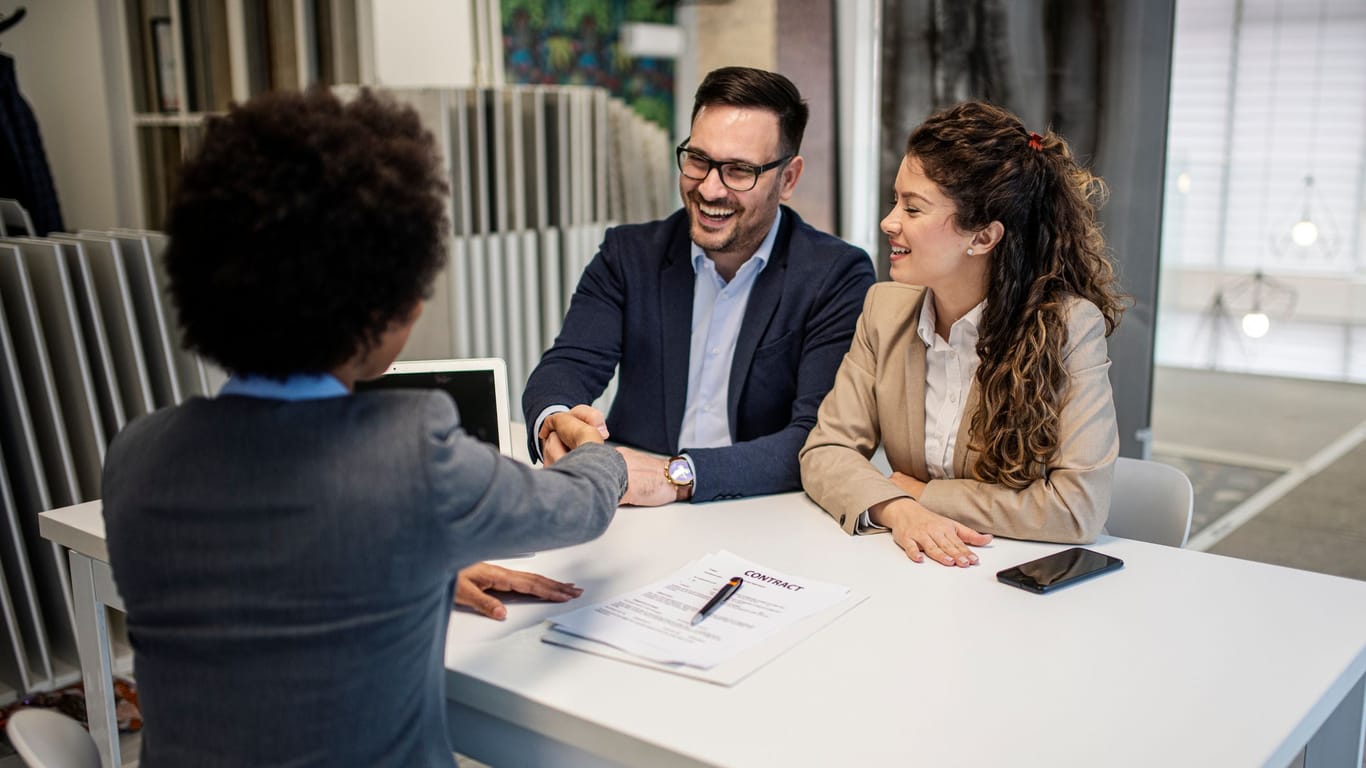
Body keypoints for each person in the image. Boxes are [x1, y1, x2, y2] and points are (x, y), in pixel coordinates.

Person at [101, 87, 628, 767]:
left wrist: (422, 565)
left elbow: (267, 579)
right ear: (385, 304)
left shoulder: (137, 454)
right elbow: (579, 508)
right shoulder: (408, 455)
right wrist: (597, 452)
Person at [525, 66, 876, 504]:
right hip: (633, 503)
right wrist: (557, 423)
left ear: (788, 178)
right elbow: (568, 365)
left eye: (739, 170)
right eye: (698, 159)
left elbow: (817, 437)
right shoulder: (628, 255)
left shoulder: (836, 275)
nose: (709, 189)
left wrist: (676, 476)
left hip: (761, 509)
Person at [799, 101, 1126, 567]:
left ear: (983, 238)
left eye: (913, 208)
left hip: (1026, 577)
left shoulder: (1070, 327)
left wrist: (925, 494)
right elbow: (826, 450)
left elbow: (1077, 509)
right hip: (919, 568)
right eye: (895, 201)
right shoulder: (883, 308)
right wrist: (900, 509)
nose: (889, 222)